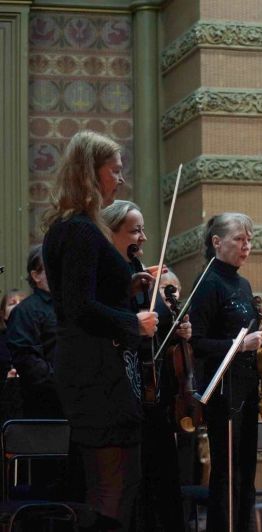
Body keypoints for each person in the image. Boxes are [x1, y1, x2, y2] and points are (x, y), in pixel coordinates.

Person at [41, 130, 158, 531]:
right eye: (115, 170)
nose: (120, 179)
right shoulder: (80, 230)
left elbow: (82, 295)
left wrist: (128, 287)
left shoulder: (70, 227)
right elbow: (79, 307)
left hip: (91, 366)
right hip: (96, 371)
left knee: (111, 485)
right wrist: (133, 322)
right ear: (91, 172)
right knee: (115, 486)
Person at [102, 199, 191, 531]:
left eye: (142, 230)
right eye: (135, 231)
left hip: (157, 393)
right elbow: (104, 323)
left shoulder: (141, 273)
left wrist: (179, 329)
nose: (143, 238)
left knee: (161, 478)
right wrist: (130, 301)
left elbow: (160, 326)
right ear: (111, 233)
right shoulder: (105, 275)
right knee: (132, 483)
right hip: (122, 391)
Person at [188, 212, 262, 531]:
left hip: (247, 387)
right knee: (227, 473)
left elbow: (247, 334)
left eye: (249, 240)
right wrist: (239, 346)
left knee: (245, 471)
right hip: (222, 391)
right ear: (217, 242)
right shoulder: (207, 282)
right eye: (239, 239)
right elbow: (197, 343)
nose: (246, 246)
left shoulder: (243, 283)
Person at [6, 244, 61, 418]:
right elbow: (28, 363)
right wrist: (66, 383)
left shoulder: (72, 307)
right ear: (36, 275)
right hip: (44, 408)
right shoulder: (25, 311)